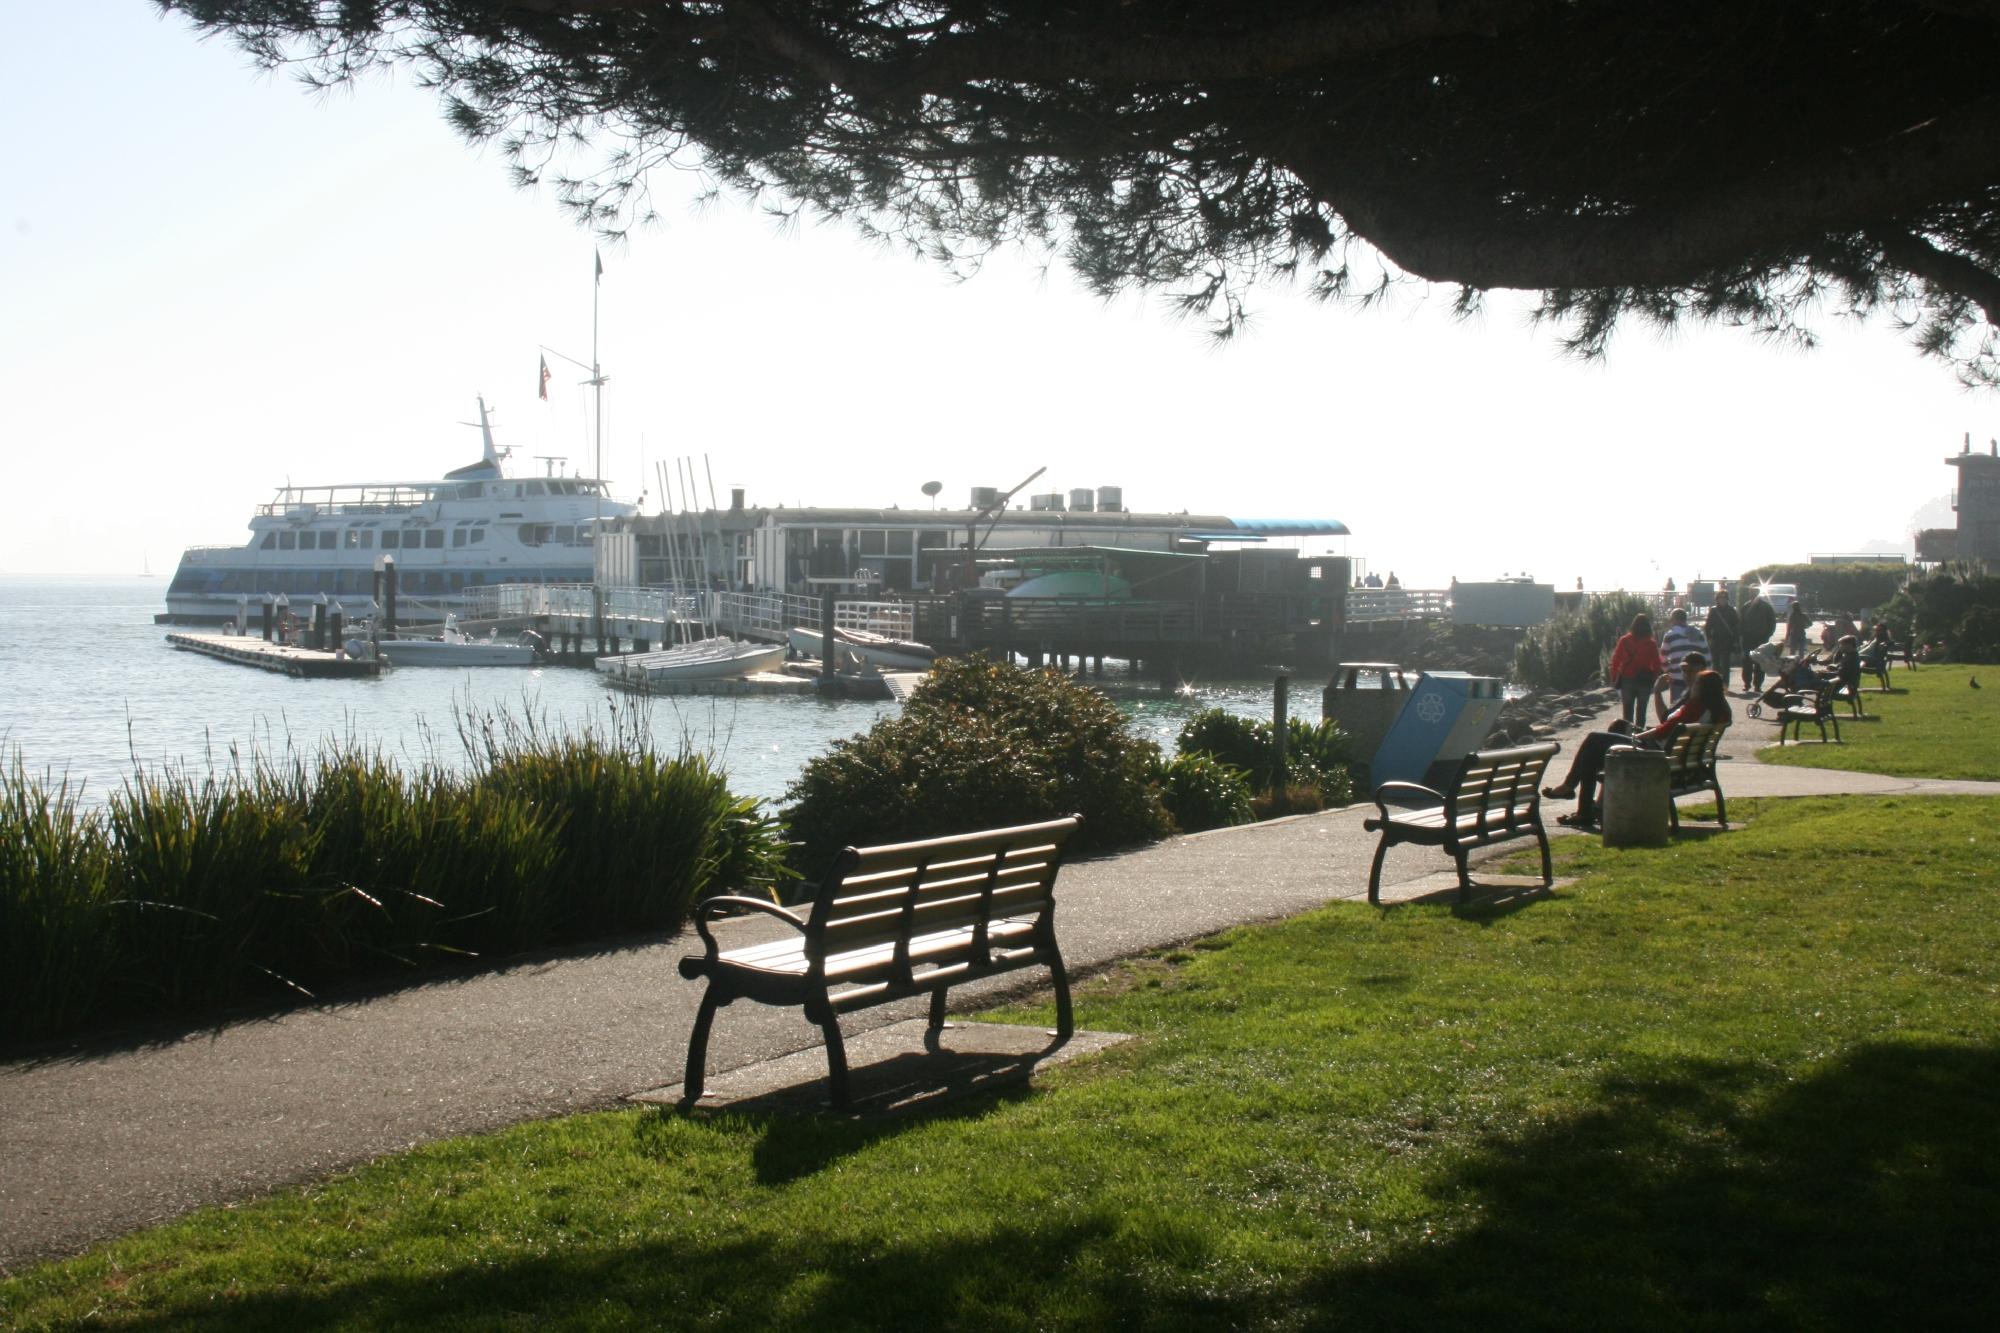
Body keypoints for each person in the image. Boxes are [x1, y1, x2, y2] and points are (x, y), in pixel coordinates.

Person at [1543, 662, 1731, 826]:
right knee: (1617, 726)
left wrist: (1639, 736)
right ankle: (1590, 804)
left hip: (1655, 755)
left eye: (1696, 684)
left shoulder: (1695, 707)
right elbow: (1669, 729)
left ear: (1703, 689)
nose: (1693, 686)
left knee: (1593, 741)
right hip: (1680, 762)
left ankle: (1575, 795)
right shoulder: (1718, 710)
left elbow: (1663, 730)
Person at [1607, 613, 1665, 728]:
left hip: (1627, 679)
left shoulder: (1624, 641)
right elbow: (1657, 664)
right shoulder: (1651, 643)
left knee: (1627, 711)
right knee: (1642, 711)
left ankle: (1627, 736)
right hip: (1645, 680)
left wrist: (1614, 678)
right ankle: (1639, 735)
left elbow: (1616, 660)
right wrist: (1654, 680)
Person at [1658, 606, 1709, 707]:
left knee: (1676, 708)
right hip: (1696, 677)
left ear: (1674, 620)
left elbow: (1663, 657)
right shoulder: (1699, 633)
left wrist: (1667, 671)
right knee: (1696, 707)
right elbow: (1707, 656)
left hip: (1676, 677)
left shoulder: (1670, 635)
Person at [1738, 589, 1777, 692]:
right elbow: (1740, 623)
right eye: (1751, 593)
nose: (1753, 595)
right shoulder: (1745, 607)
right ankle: (1747, 683)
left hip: (1762, 639)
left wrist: (1768, 634)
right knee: (1747, 662)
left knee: (1760, 663)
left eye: (1755, 593)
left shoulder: (1766, 607)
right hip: (1748, 639)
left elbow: (1772, 622)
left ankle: (1758, 685)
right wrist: (1741, 635)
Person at [1703, 590, 1741, 688]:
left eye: (1724, 598)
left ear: (1727, 599)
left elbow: (1736, 627)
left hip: (1728, 640)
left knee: (1726, 664)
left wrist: (1736, 641)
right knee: (1715, 663)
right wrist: (1709, 638)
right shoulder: (1714, 610)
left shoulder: (1731, 610)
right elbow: (1708, 626)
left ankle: (1725, 684)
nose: (1722, 600)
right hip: (1716, 639)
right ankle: (1716, 683)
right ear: (1717, 599)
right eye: (1720, 598)